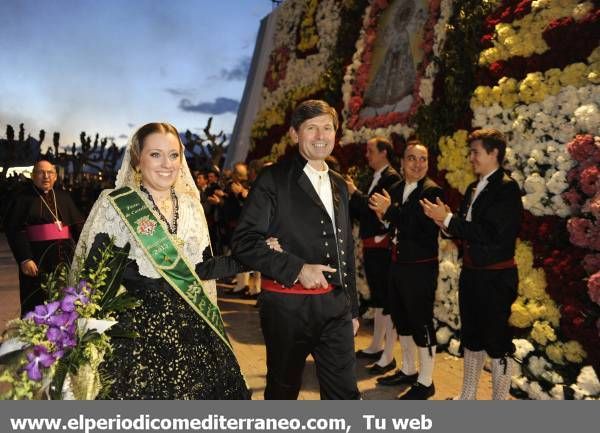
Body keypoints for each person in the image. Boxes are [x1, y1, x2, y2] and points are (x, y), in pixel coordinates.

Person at [73, 122, 251, 399]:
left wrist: (248, 258)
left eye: (174, 154)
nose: (166, 164)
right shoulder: (116, 205)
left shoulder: (192, 205)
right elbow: (93, 278)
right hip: (134, 339)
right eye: (155, 154)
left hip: (194, 332)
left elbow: (201, 269)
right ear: (137, 159)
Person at [232, 100, 361, 400]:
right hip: (287, 309)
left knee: (345, 395)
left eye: (327, 128)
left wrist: (352, 308)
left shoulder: (340, 185)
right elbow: (244, 242)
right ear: (294, 134)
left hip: (335, 308)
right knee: (283, 392)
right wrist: (298, 268)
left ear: (335, 133)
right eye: (311, 128)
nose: (320, 135)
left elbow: (346, 248)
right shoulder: (272, 179)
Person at [420, 128, 522, 400]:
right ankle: (467, 397)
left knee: (497, 342)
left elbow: (490, 233)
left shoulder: (507, 188)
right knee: (472, 337)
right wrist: (443, 222)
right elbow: (464, 229)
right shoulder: (474, 187)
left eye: (476, 152)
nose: (471, 157)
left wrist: (451, 220)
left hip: (496, 278)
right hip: (472, 274)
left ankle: (499, 404)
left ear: (494, 153)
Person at [369, 140, 442, 399]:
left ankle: (426, 380)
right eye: (412, 158)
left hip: (421, 268)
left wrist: (391, 212)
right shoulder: (398, 187)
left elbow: (417, 226)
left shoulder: (432, 191)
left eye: (423, 159)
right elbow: (397, 224)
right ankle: (409, 369)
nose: (418, 164)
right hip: (398, 264)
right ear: (402, 162)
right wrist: (385, 216)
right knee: (402, 319)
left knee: (421, 321)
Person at [345, 137, 401, 375]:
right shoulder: (377, 177)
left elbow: (377, 210)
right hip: (370, 245)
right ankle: (377, 345)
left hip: (382, 246)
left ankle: (388, 353)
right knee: (378, 297)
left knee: (387, 299)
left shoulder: (392, 178)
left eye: (371, 151)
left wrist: (354, 193)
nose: (367, 155)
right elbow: (363, 212)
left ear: (384, 153)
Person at [5, 160, 84, 315]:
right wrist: (25, 258)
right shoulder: (22, 199)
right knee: (36, 302)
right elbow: (15, 230)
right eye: (41, 172)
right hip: (37, 260)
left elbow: (78, 226)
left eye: (50, 173)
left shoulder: (63, 197)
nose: (46, 176)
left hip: (64, 259)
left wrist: (84, 254)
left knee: (64, 301)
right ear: (33, 176)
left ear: (55, 177)